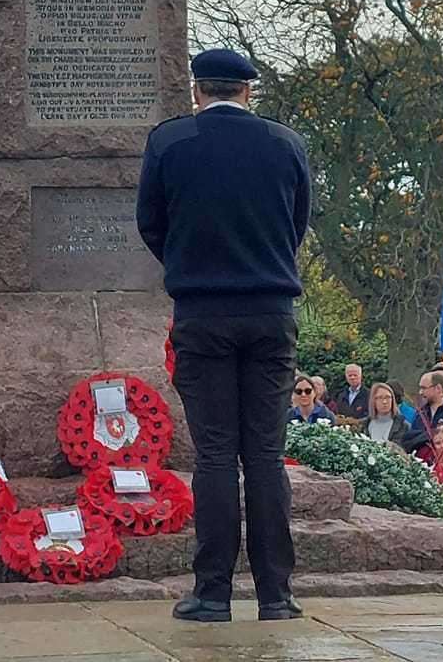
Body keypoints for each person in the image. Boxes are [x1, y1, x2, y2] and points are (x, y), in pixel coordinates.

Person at [137, 46, 310, 624]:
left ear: (197, 91)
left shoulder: (169, 143)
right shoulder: (286, 145)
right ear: (247, 91)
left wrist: (191, 265)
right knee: (264, 455)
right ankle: (275, 595)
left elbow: (151, 223)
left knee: (214, 456)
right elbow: (296, 223)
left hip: (203, 312)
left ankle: (212, 592)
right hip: (269, 309)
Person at [362, 383, 428, 452]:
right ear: (373, 400)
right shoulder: (365, 425)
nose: (384, 401)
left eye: (388, 397)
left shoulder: (403, 426)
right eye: (380, 398)